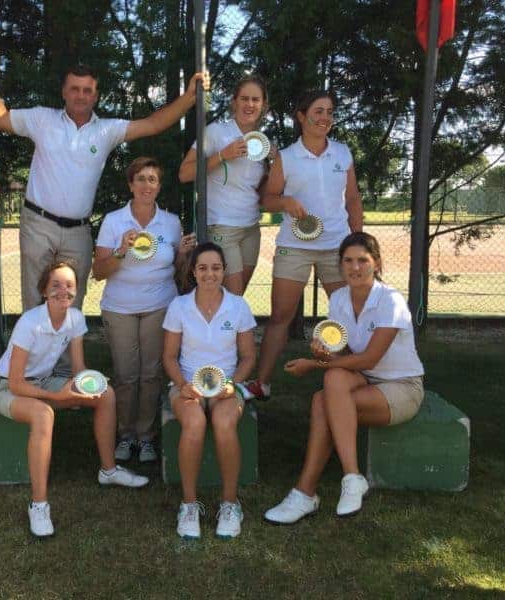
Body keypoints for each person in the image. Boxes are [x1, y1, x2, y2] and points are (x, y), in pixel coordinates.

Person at [0, 48, 208, 312]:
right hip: (38, 224)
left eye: (87, 90)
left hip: (78, 232)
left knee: (72, 305)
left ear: (95, 96)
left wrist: (190, 96)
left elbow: (153, 124)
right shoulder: (42, 119)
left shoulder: (107, 130)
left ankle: (68, 342)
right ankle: (33, 342)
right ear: (64, 92)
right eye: (74, 89)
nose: (81, 95)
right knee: (35, 302)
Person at [264, 232, 424, 524]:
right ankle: (348, 479)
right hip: (363, 379)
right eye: (348, 261)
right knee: (334, 378)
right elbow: (344, 354)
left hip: (401, 386)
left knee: (322, 401)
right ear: (340, 265)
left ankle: (308, 492)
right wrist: (324, 353)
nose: (355, 267)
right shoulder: (339, 299)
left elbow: (369, 358)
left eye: (363, 260)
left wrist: (313, 365)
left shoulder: (391, 300)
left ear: (376, 263)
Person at [0, 260, 149, 537]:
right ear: (44, 291)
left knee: (106, 394)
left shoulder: (75, 318)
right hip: (7, 389)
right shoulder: (30, 322)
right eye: (56, 285)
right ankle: (39, 505)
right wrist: (56, 395)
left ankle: (108, 471)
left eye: (69, 285)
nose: (63, 290)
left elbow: (78, 368)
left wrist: (92, 382)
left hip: (44, 382)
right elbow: (16, 382)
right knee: (44, 414)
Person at [250, 89, 364, 399]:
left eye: (329, 112)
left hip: (337, 247)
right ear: (301, 117)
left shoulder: (342, 153)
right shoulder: (286, 157)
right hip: (294, 246)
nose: (325, 117)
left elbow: (353, 199)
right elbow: (268, 199)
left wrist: (358, 239)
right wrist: (285, 202)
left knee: (348, 316)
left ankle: (357, 379)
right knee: (280, 317)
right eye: (318, 111)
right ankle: (262, 383)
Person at [92, 157, 196, 464]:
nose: (146, 185)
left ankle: (147, 437)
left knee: (151, 374)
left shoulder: (171, 222)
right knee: (126, 376)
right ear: (130, 185)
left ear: (159, 186)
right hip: (120, 307)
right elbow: (99, 271)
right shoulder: (114, 221)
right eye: (140, 179)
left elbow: (178, 270)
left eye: (152, 179)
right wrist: (121, 251)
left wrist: (183, 254)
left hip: (160, 307)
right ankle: (126, 436)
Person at [162, 242, 257, 539]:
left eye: (216, 268)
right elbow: (169, 357)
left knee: (225, 422)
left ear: (224, 271)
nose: (209, 274)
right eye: (202, 268)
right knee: (194, 422)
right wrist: (182, 385)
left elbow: (248, 357)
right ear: (193, 271)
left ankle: (230, 504)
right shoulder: (179, 306)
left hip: (226, 386)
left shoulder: (238, 306)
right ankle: (189, 505)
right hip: (187, 384)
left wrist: (232, 385)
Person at [178, 74, 273, 295]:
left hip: (251, 227)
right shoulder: (216, 132)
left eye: (256, 100)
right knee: (233, 297)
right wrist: (222, 155)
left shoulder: (263, 142)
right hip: (222, 226)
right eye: (244, 98)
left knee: (234, 299)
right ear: (234, 102)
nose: (250, 104)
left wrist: (275, 167)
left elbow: (261, 193)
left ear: (263, 105)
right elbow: (184, 173)